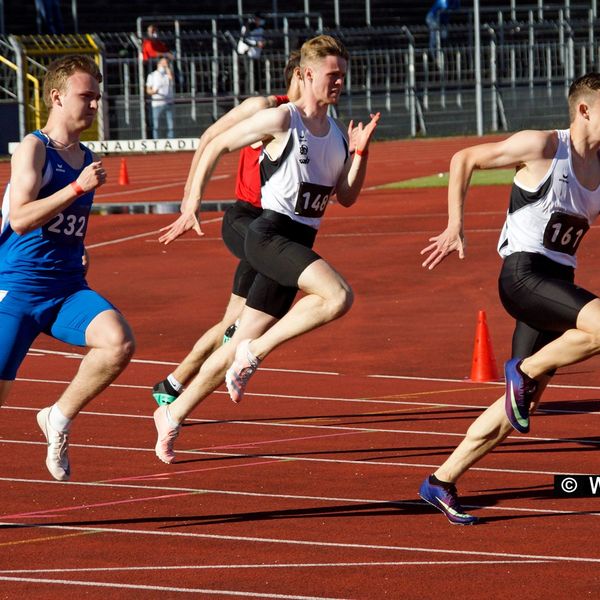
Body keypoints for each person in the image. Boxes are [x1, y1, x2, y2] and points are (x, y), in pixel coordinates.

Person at [152, 34, 379, 464]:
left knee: (232, 341)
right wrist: (192, 200)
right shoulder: (281, 119)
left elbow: (345, 196)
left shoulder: (334, 133)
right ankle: (252, 355)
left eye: (343, 77)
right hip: (269, 234)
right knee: (337, 296)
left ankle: (173, 414)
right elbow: (216, 142)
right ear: (307, 73)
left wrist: (360, 152)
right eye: (333, 75)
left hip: (297, 241)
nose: (339, 83)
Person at [418, 72, 600, 525]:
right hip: (523, 276)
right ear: (584, 110)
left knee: (520, 406)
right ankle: (525, 369)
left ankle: (440, 480)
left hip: (556, 287)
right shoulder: (542, 146)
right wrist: (455, 224)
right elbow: (463, 159)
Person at [0, 55, 135, 481]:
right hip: (15, 291)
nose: (95, 105)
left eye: (98, 97)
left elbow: (62, 222)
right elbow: (21, 218)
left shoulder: (85, 154)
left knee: (118, 342)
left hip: (66, 288)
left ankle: (57, 417)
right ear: (56, 97)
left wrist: (78, 246)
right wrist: (77, 187)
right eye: (86, 96)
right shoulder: (33, 146)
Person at [152, 52, 303, 406]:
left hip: (274, 226)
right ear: (301, 74)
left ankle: (172, 382)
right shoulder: (264, 107)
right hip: (245, 219)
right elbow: (209, 138)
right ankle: (244, 344)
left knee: (231, 321)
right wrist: (191, 199)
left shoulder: (309, 121)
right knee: (274, 293)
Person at [146, 57, 175, 139]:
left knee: (171, 125)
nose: (164, 65)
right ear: (158, 64)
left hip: (168, 102)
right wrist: (154, 92)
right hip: (157, 103)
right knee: (156, 125)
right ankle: (156, 141)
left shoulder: (167, 75)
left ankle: (171, 141)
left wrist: (167, 68)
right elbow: (148, 90)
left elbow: (171, 78)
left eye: (166, 63)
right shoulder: (152, 75)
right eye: (163, 63)